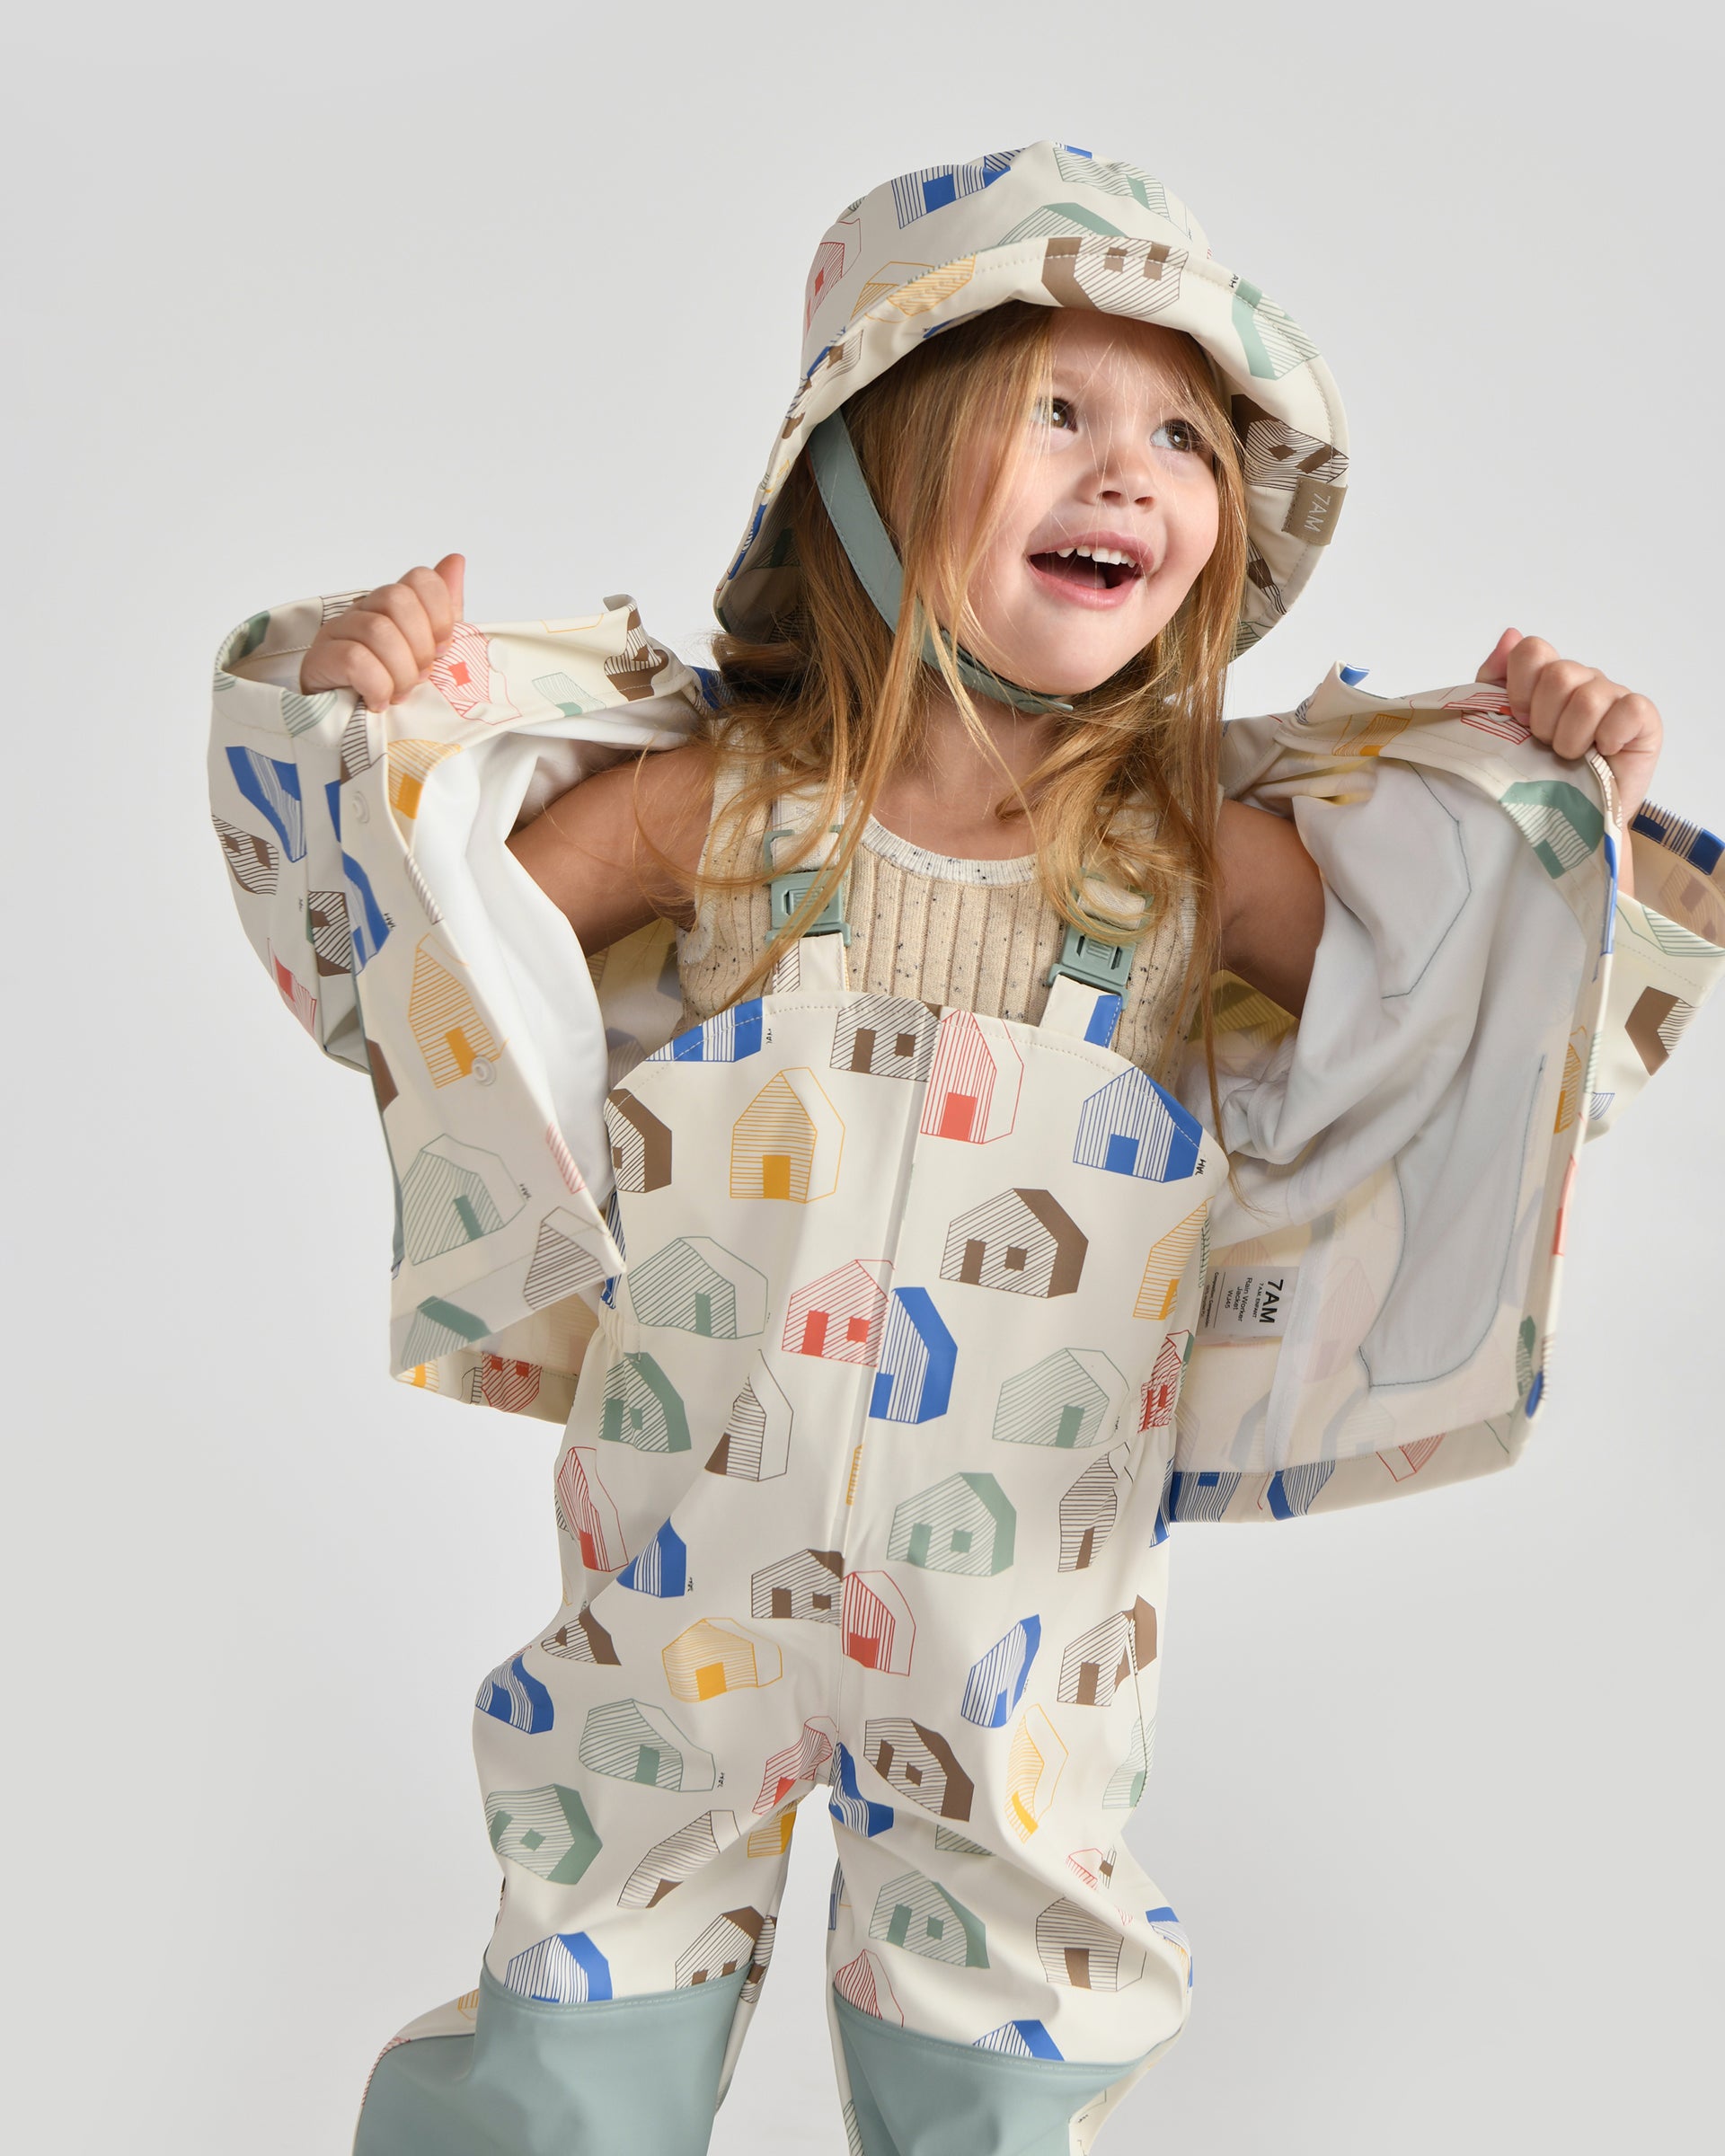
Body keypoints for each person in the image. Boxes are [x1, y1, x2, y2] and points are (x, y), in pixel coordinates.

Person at [209, 143, 1720, 2155]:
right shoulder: (725, 812)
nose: (1134, 472)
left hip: (1020, 1639)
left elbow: (1489, 1019)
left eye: (1185, 435)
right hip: (677, 1592)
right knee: (578, 2028)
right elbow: (417, 972)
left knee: (1004, 2053)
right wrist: (359, 724)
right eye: (1060, 409)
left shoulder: (1184, 858)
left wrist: (1555, 799)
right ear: (867, 463)